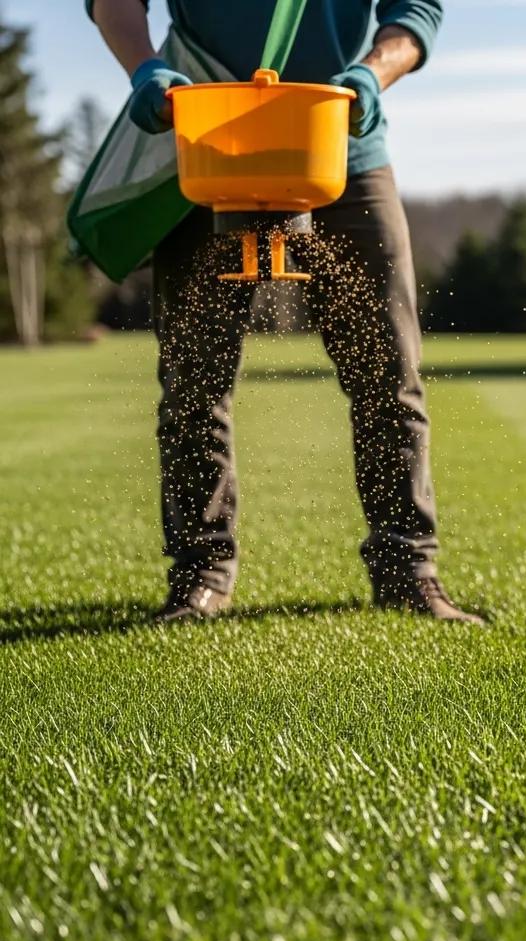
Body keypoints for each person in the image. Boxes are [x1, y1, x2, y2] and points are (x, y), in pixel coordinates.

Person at [88, 0, 483, 625]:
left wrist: (373, 73)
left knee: (387, 371)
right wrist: (146, 69)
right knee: (193, 381)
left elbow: (416, 10)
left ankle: (408, 571)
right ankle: (200, 575)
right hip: (209, 145)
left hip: (338, 149)